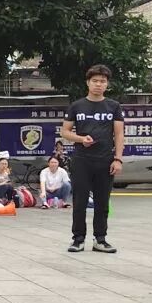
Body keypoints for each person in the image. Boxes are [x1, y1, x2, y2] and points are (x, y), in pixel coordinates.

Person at [60, 64, 125, 253]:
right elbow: (65, 131)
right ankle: (78, 239)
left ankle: (100, 239)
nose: (98, 84)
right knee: (79, 201)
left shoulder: (113, 106)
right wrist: (81, 139)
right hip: (81, 160)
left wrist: (118, 159)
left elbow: (119, 134)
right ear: (88, 83)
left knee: (102, 202)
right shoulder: (77, 106)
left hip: (105, 160)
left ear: (107, 84)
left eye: (102, 81)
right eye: (95, 81)